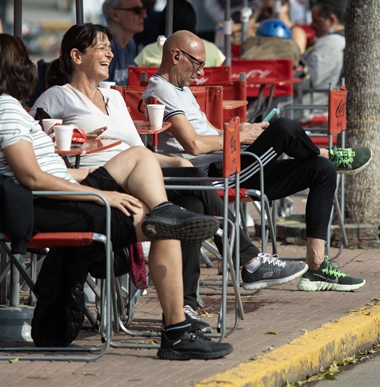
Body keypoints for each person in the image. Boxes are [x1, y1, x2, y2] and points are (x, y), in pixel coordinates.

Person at [0, 33, 233, 360]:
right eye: (24, 62)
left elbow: (47, 173)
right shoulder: (4, 110)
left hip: (52, 197)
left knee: (139, 156)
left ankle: (163, 211)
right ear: (12, 68)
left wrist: (92, 185)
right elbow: (31, 177)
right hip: (44, 207)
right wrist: (100, 195)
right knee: (166, 226)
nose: (30, 68)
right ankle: (176, 333)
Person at [32, 23, 307, 327]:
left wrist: (178, 164)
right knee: (194, 189)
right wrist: (82, 141)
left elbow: (139, 150)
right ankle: (249, 260)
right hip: (98, 180)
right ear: (76, 55)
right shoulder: (55, 99)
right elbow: (46, 158)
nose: (111, 53)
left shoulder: (114, 98)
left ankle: (185, 309)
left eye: (111, 47)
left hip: (138, 175)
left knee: (192, 200)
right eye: (101, 47)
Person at [141, 30, 372, 292]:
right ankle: (328, 152)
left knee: (322, 171)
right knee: (284, 128)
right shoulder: (160, 91)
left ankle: (317, 268)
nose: (201, 72)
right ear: (176, 56)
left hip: (232, 162)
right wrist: (240, 136)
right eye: (198, 64)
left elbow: (209, 132)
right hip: (218, 172)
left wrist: (245, 132)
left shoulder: (180, 88)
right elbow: (193, 144)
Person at [135, 0, 226, 68]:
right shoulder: (213, 51)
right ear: (193, 23)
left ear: (163, 22)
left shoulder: (147, 53)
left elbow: (135, 86)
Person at [301, 0, 346, 106]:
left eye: (316, 21)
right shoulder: (334, 41)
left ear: (331, 20)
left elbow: (311, 78)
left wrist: (285, 79)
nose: (311, 25)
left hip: (306, 109)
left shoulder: (332, 43)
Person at [102, 0, 147, 86]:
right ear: (115, 15)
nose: (144, 15)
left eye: (143, 9)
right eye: (137, 10)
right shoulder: (102, 47)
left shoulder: (130, 43)